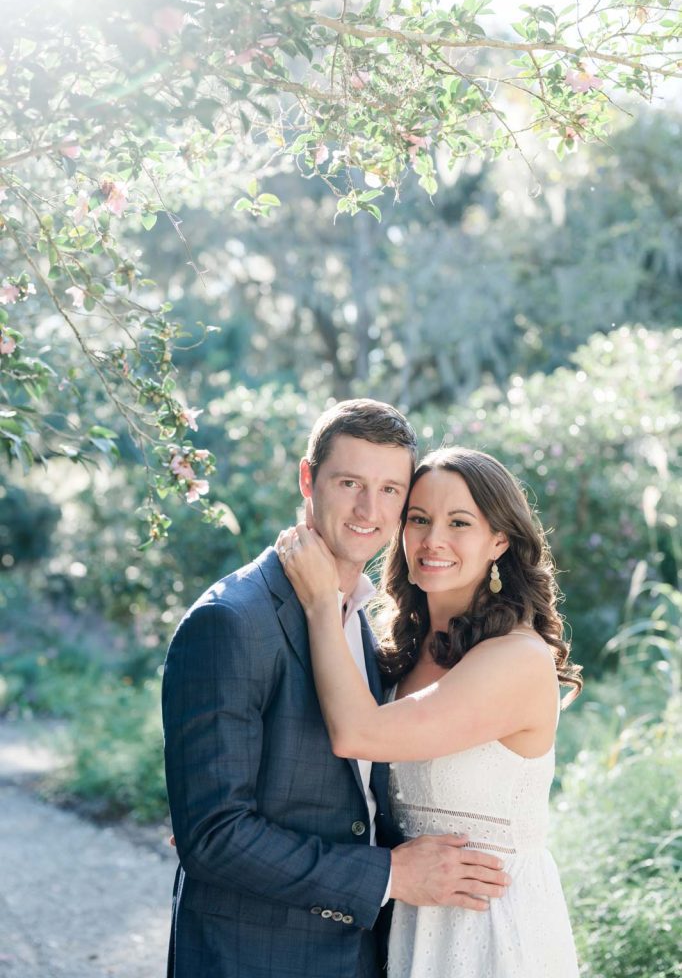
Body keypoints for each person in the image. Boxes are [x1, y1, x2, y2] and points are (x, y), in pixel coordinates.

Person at [162, 404, 511, 978]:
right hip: (253, 957)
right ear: (308, 479)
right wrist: (391, 876)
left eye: (390, 489)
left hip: (368, 952)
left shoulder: (366, 620)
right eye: (349, 483)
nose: (368, 511)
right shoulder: (231, 621)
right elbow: (214, 836)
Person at [278, 445, 582, 978]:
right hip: (408, 915)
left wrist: (320, 601)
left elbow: (355, 734)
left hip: (491, 926)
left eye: (458, 522)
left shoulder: (516, 659)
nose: (432, 540)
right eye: (418, 519)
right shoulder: (404, 651)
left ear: (500, 540)